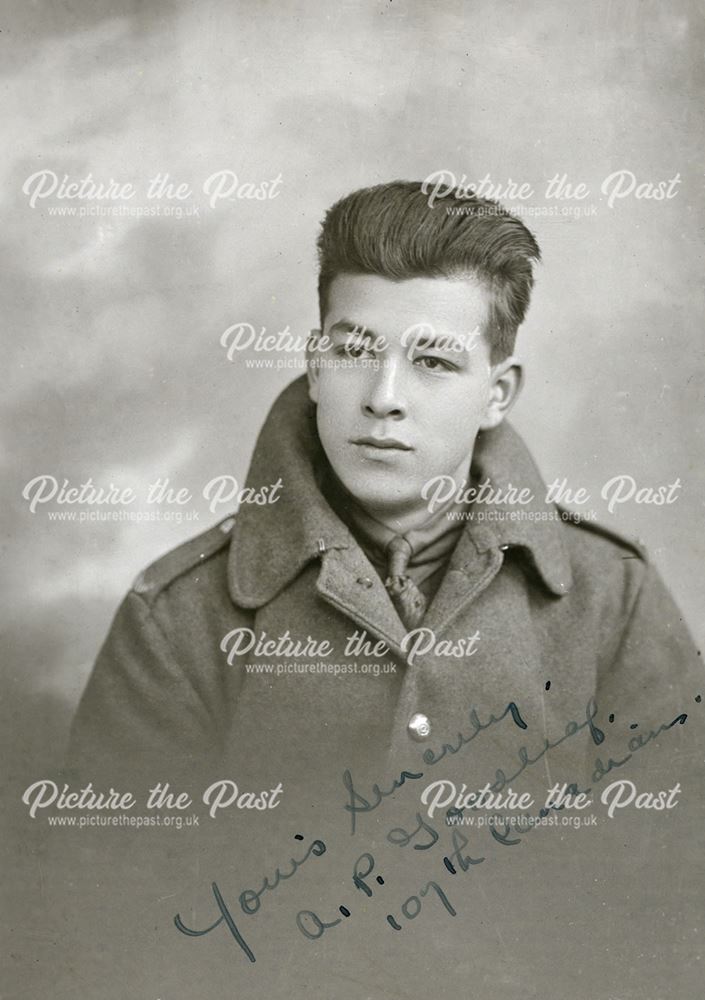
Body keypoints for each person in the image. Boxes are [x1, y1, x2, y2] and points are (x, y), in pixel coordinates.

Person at [61, 179, 704, 996]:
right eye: (354, 350)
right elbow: (112, 933)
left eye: (432, 361)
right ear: (314, 363)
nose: (383, 399)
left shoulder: (613, 598)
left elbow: (673, 908)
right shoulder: (179, 615)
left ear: (496, 394)